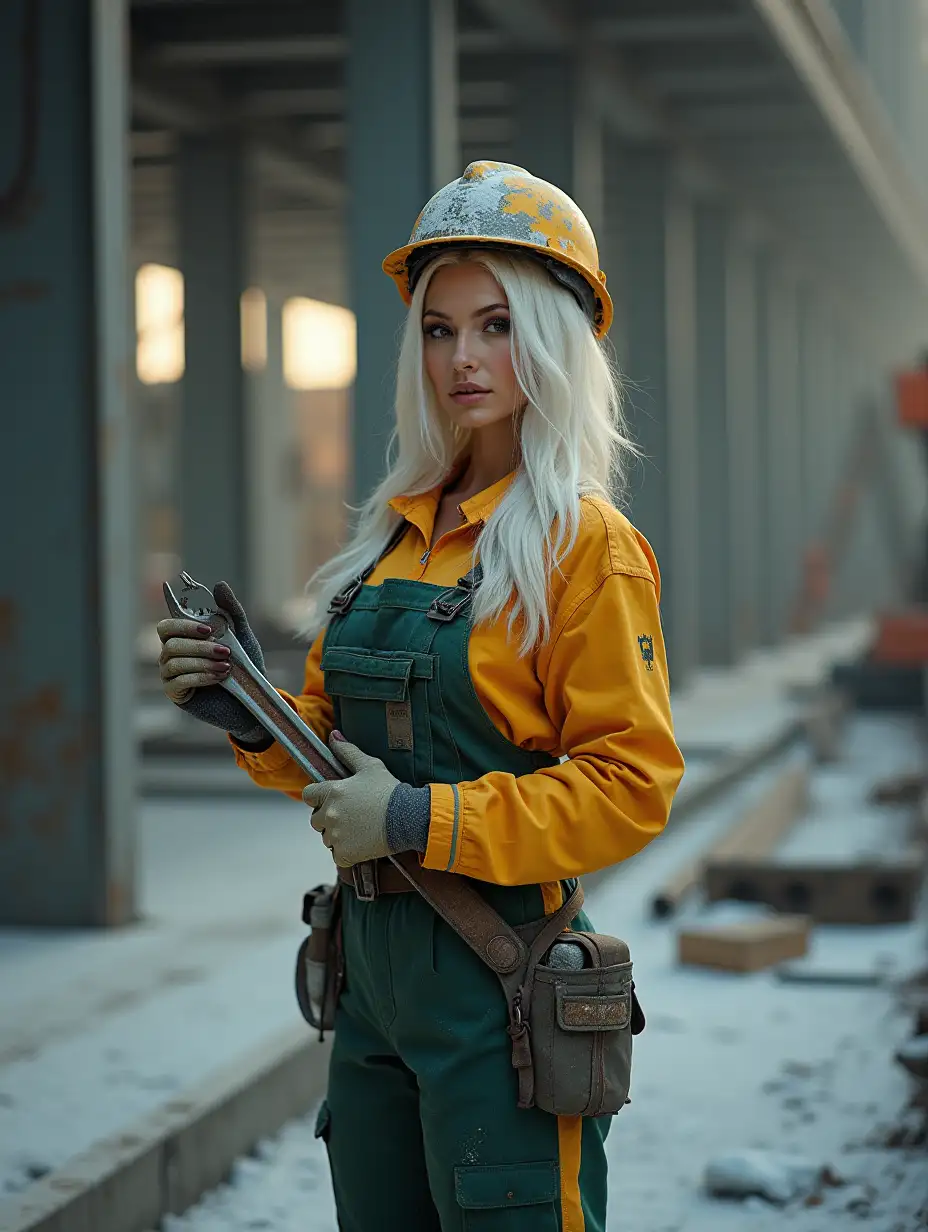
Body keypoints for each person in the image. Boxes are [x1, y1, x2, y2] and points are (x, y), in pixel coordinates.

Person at [157, 160, 685, 1231]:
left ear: (551, 334)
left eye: (494, 324)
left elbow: (629, 787)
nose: (462, 357)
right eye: (439, 329)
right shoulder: (391, 535)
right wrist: (245, 705)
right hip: (371, 986)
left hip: (502, 993)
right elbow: (321, 743)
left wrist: (412, 817)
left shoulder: (585, 547)